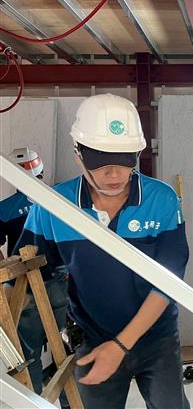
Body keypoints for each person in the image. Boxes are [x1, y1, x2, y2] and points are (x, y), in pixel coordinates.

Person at [13, 94, 190, 409]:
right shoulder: (54, 207)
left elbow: (169, 282)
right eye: (101, 163)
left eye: (124, 161)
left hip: (157, 338)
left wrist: (120, 346)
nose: (114, 175)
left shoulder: (161, 200)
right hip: (92, 339)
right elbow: (24, 278)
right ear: (78, 154)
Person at [1, 149, 69, 406]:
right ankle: (70, 402)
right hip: (60, 281)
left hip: (24, 287)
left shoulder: (5, 209)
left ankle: (34, 401)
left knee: (28, 351)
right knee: (67, 346)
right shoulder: (59, 200)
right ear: (40, 170)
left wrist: (6, 274)